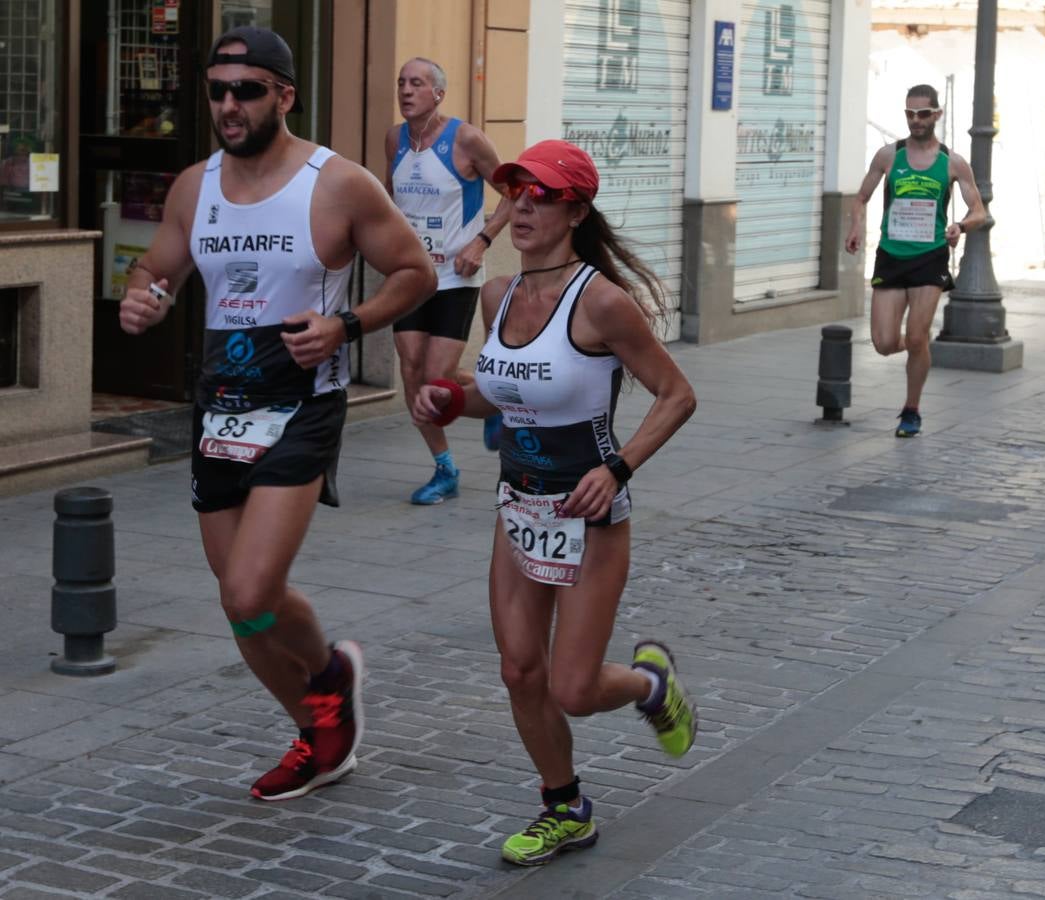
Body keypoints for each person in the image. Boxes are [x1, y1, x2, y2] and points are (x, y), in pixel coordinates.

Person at [119, 27, 436, 799]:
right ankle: (322, 729)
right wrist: (144, 295)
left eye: (247, 90)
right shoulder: (196, 185)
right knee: (242, 608)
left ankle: (329, 678)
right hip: (221, 403)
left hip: (301, 404)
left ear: (285, 96)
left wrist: (347, 324)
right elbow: (157, 264)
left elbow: (415, 272)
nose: (228, 105)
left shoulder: (338, 183)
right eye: (218, 89)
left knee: (251, 590)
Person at [413, 140, 699, 867]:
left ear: (575, 210)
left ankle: (649, 682)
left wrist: (619, 467)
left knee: (572, 687)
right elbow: (499, 395)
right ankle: (563, 806)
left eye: (542, 195)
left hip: (590, 516)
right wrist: (451, 398)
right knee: (518, 671)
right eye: (517, 194)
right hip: (519, 511)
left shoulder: (602, 301)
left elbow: (677, 394)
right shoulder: (496, 295)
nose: (526, 207)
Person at [385, 57, 511, 504]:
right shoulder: (394, 139)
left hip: (456, 277)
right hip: (411, 276)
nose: (405, 90)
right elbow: (391, 203)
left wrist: (482, 242)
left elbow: (515, 192)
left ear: (438, 93)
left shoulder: (466, 138)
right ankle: (445, 470)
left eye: (416, 83)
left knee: (437, 377)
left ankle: (495, 399)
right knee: (413, 372)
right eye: (401, 82)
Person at [845, 83, 987, 438]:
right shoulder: (888, 156)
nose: (915, 120)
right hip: (892, 256)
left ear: (936, 115)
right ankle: (919, 348)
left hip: (929, 257)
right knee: (883, 342)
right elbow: (861, 197)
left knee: (919, 333)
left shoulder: (952, 162)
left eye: (923, 113)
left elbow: (979, 211)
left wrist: (960, 226)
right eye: (910, 113)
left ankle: (911, 409)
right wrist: (856, 227)